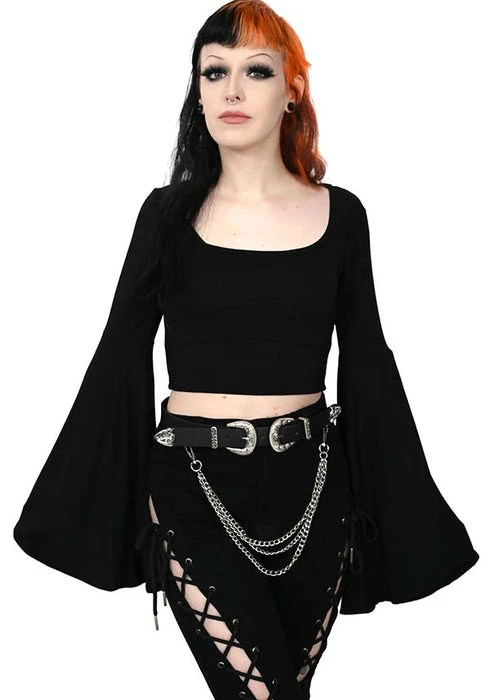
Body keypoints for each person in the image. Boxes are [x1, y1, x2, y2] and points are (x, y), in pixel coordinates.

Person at [13, 2, 479, 699]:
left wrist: (402, 515)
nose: (232, 89)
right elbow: (119, 356)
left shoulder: (343, 215)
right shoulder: (165, 216)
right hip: (192, 486)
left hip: (315, 491)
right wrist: (121, 502)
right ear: (198, 92)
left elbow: (368, 362)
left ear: (292, 88)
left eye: (256, 71)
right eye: (214, 72)